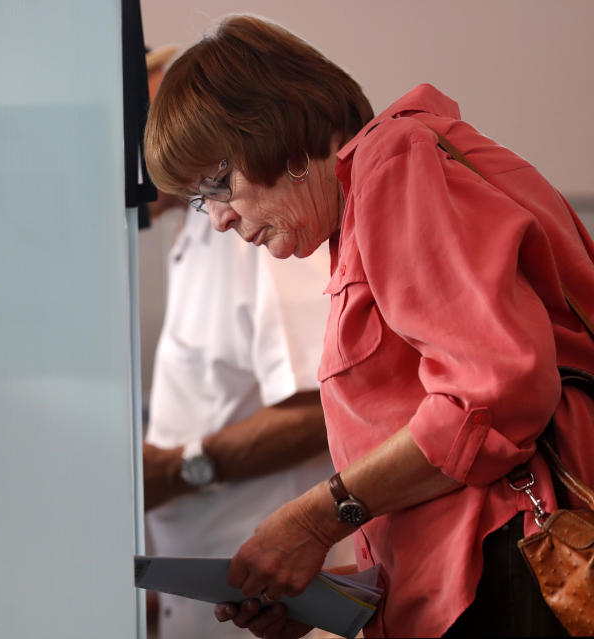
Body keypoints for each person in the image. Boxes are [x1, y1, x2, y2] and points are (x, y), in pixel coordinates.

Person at [143, 13, 594, 639]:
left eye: (219, 182)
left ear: (283, 133)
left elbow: (493, 394)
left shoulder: (392, 162)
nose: (217, 218)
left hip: (517, 572)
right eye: (199, 198)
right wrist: (333, 587)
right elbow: (445, 462)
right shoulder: (360, 212)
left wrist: (312, 521)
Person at [142, 44, 352, 639]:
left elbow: (323, 404)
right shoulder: (200, 229)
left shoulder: (269, 221)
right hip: (233, 603)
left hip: (288, 600)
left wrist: (186, 468)